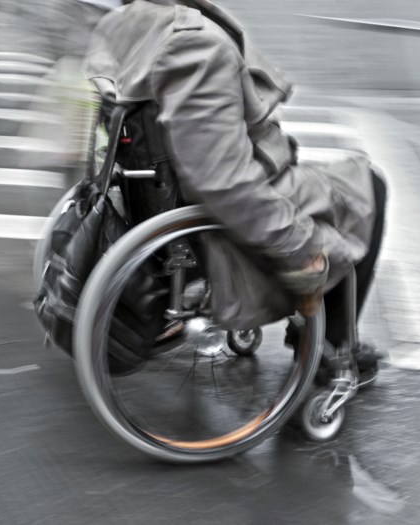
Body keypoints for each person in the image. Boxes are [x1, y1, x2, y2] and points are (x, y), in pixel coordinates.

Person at [83, 0, 383, 378]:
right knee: (368, 186)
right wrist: (301, 245)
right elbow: (222, 183)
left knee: (343, 182)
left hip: (156, 194)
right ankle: (331, 352)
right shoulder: (194, 44)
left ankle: (323, 335)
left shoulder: (120, 22)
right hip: (221, 212)